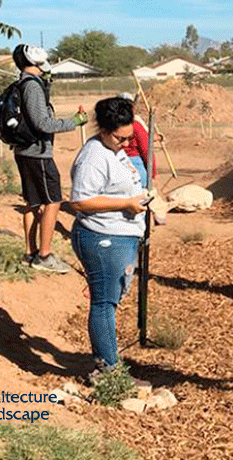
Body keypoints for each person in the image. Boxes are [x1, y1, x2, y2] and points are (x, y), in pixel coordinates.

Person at [69, 97, 148, 371]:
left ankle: (109, 363)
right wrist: (125, 204)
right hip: (102, 237)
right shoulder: (93, 157)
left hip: (121, 234)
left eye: (130, 138)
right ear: (103, 128)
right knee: (103, 303)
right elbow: (79, 201)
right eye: (121, 138)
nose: (127, 144)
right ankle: (108, 370)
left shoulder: (114, 149)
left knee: (110, 299)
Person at [12, 44, 87, 273]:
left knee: (33, 202)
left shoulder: (25, 83)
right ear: (35, 61)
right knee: (53, 201)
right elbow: (42, 123)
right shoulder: (31, 86)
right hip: (38, 153)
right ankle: (44, 255)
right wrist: (74, 122)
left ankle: (30, 253)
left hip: (26, 151)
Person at [117, 92, 156, 186]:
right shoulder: (135, 124)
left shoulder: (109, 124)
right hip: (133, 163)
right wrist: (152, 174)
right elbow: (146, 149)